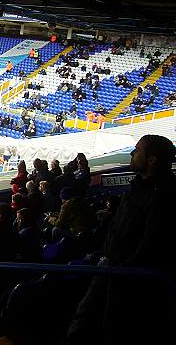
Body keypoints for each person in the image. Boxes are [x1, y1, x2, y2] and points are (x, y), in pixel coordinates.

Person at [65, 135, 176, 344]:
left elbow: (151, 242)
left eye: (137, 151)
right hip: (113, 264)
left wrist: (122, 267)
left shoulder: (163, 195)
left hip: (124, 273)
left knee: (103, 323)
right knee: (87, 317)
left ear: (152, 160)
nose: (133, 154)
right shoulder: (140, 185)